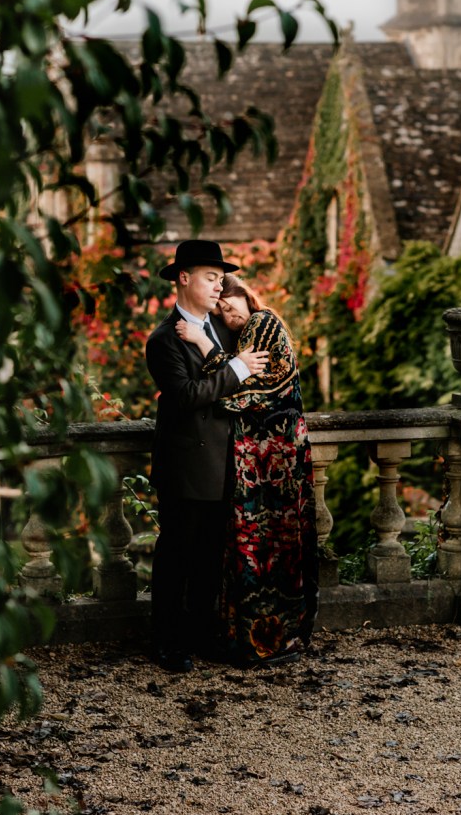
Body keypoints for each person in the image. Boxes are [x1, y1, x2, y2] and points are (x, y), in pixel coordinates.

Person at [176, 273, 318, 667]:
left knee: (276, 545)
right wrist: (232, 368)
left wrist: (205, 344)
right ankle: (254, 640)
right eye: (220, 308)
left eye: (229, 301)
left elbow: (257, 390)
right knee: (253, 549)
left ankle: (280, 638)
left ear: (245, 295)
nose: (226, 311)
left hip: (277, 457)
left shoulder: (264, 321)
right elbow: (235, 378)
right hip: (255, 461)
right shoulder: (237, 340)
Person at [145, 241, 269, 673]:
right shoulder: (163, 340)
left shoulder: (223, 329)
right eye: (210, 277)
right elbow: (183, 398)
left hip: (226, 463)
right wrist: (236, 370)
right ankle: (167, 642)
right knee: (177, 556)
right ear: (183, 278)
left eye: (220, 278)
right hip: (185, 465)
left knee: (210, 559)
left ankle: (200, 636)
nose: (219, 286)